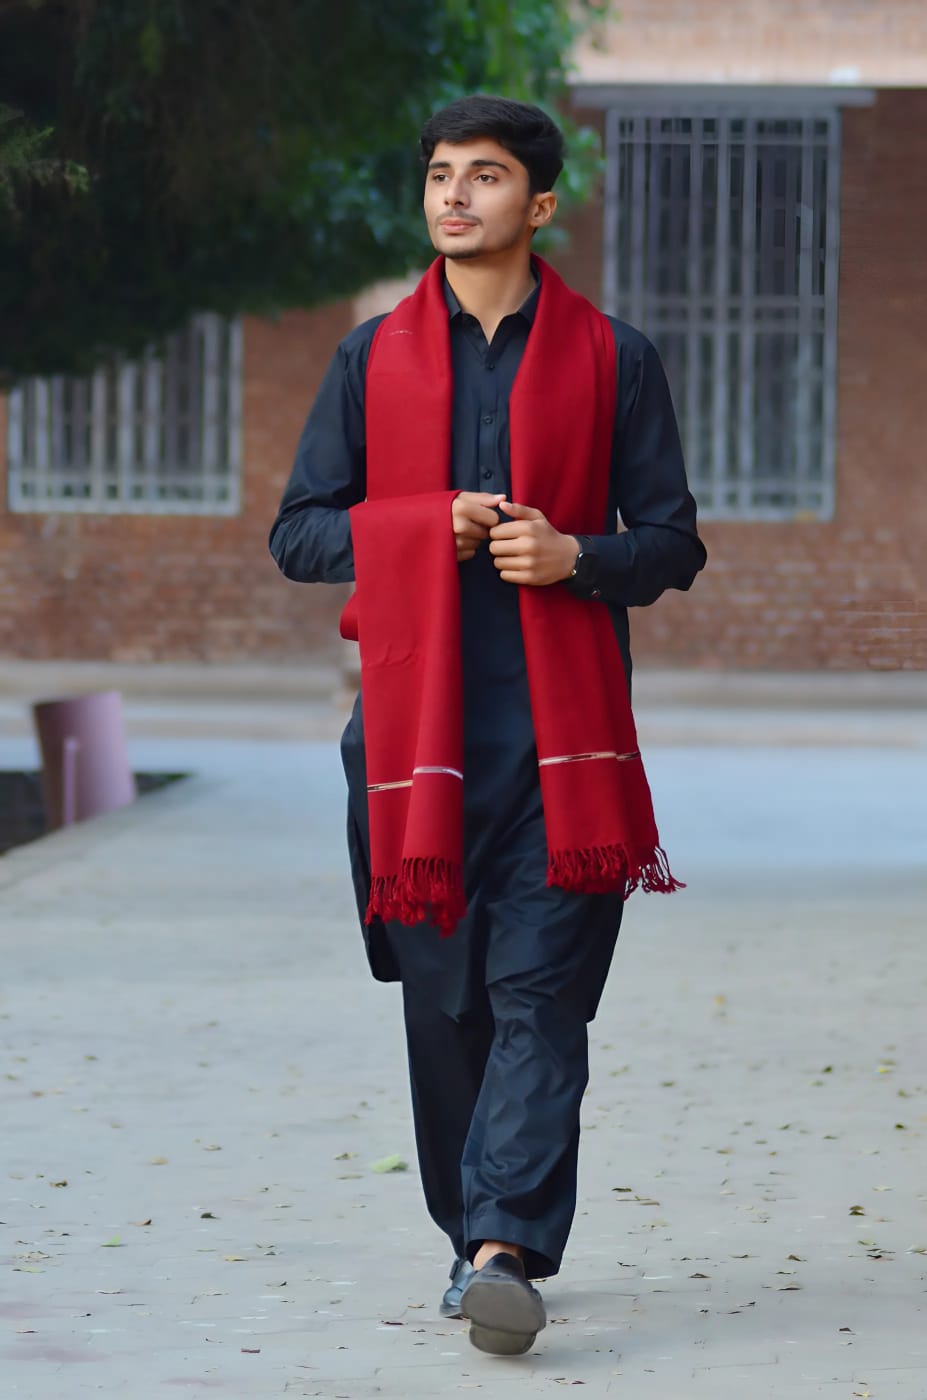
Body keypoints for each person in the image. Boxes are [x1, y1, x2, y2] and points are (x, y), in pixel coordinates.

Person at [269, 94, 706, 1357]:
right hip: (417, 754)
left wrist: (579, 556)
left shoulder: (616, 359)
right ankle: (472, 1236)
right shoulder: (369, 360)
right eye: (441, 175)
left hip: (565, 749)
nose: (455, 194)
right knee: (447, 1007)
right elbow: (300, 533)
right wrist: (421, 524)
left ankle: (506, 1246)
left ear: (542, 202)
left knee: (539, 999)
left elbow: (672, 542)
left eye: (488, 174)